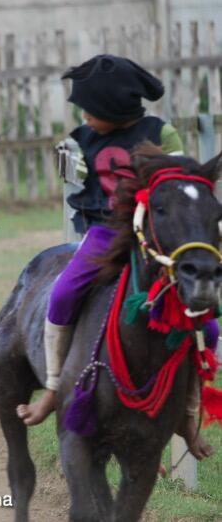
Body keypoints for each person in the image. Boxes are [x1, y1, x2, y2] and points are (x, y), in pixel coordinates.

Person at [16, 54, 216, 460]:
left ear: (114, 107)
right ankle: (55, 387)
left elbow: (179, 182)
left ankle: (188, 416)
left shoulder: (162, 133)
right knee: (63, 295)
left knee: (206, 327)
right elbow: (72, 181)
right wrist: (67, 161)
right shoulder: (80, 138)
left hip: (158, 239)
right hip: (104, 235)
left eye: (91, 110)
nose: (85, 117)